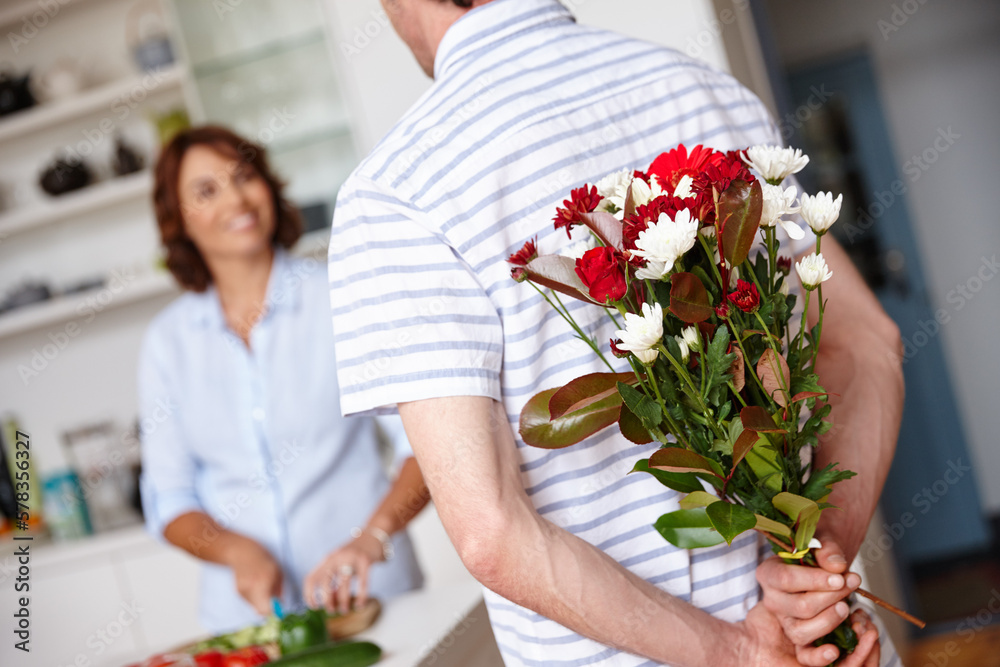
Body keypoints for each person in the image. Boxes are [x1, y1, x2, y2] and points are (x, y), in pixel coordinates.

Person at [328, 1, 904, 666]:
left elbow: (491, 532)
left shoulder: (396, 192)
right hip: (826, 646)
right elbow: (867, 340)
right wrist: (816, 568)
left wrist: (740, 651)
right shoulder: (698, 88)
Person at [138, 126, 426, 634]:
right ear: (178, 220)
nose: (236, 198)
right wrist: (237, 552)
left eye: (244, 176)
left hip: (374, 604)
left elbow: (424, 447)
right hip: (250, 624)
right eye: (206, 190)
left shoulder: (341, 298)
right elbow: (169, 497)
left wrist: (372, 537)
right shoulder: (168, 343)